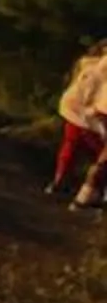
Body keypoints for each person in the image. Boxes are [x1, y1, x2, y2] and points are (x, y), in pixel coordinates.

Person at [53, 38, 107, 207]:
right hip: (90, 114)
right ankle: (86, 194)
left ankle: (60, 182)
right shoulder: (99, 68)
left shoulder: (86, 63)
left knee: (71, 146)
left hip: (74, 108)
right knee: (101, 158)